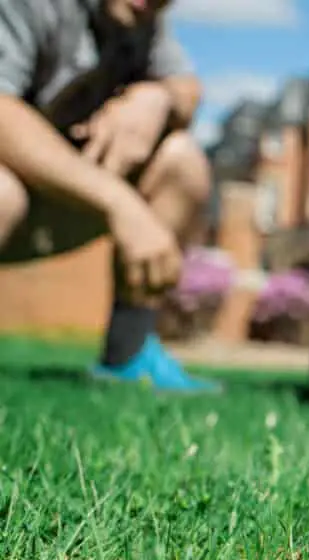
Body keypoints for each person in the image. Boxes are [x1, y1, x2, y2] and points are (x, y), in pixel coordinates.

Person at [0, 0, 219, 393]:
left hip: (48, 203)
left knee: (182, 162)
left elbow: (189, 88)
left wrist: (158, 98)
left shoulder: (141, 19)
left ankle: (128, 355)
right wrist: (120, 203)